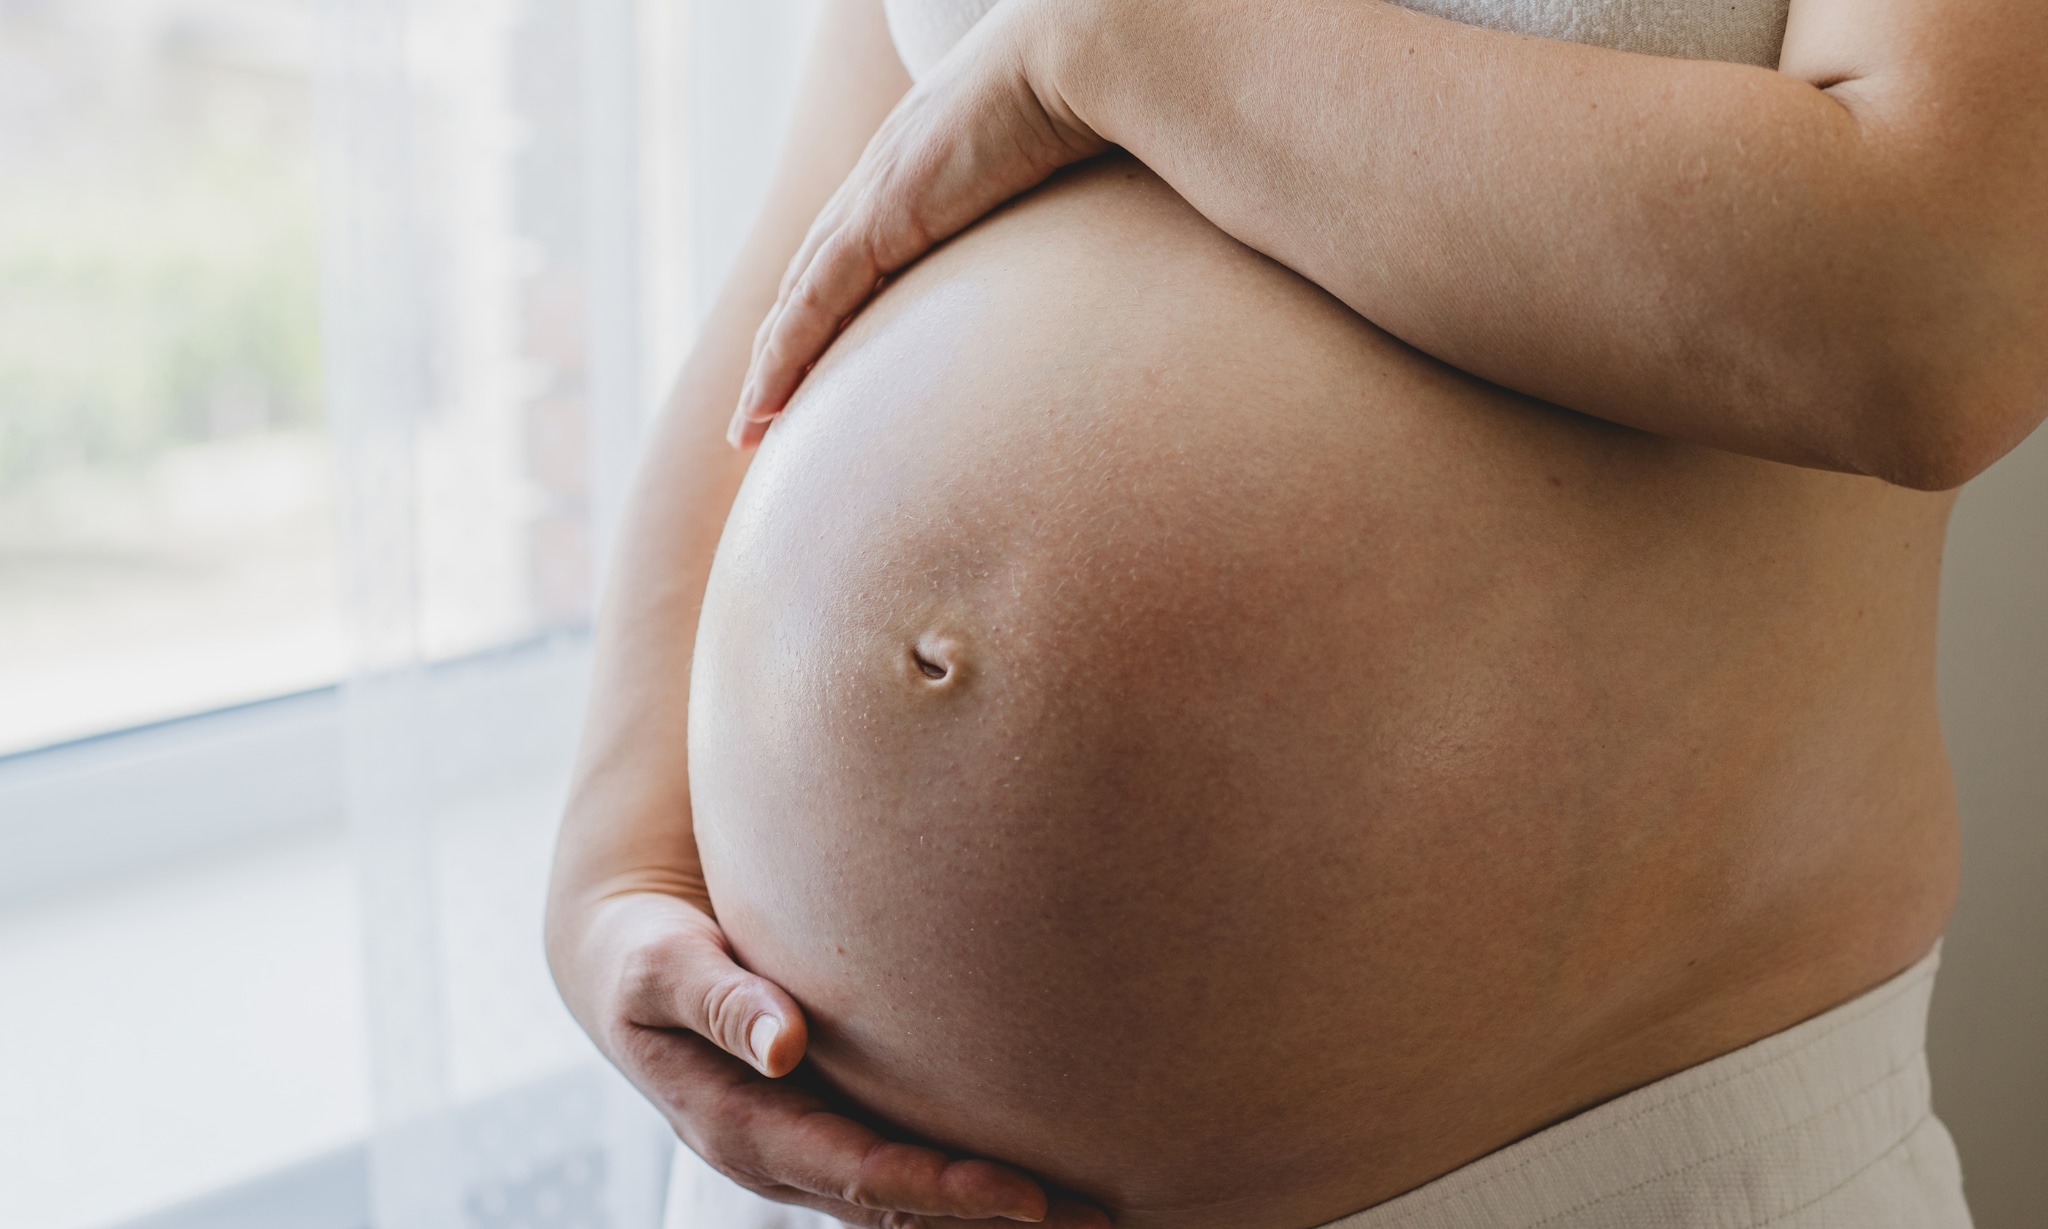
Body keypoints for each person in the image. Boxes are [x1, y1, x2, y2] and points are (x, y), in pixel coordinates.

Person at [546, 1, 2048, 1226]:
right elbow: (821, 242)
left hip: (1582, 1159)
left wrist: (1133, 44)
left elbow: (1945, 293)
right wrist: (614, 857)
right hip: (827, 1141)